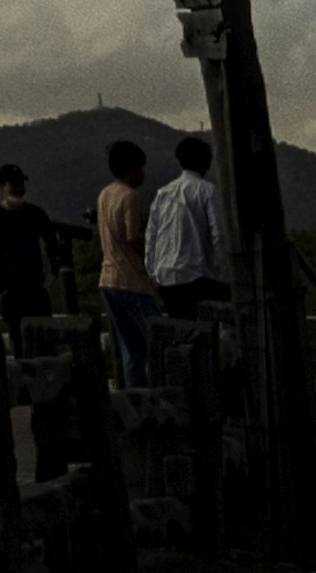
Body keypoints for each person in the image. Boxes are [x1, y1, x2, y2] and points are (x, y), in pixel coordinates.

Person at [0, 162, 71, 337]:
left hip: (36, 287)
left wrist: (53, 271)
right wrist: (1, 285)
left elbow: (52, 243)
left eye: (20, 184)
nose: (18, 189)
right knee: (18, 339)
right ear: (2, 186)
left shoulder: (35, 214)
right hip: (11, 291)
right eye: (13, 185)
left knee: (44, 337)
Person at [92, 138, 156, 387]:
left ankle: (133, 399)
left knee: (132, 350)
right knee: (157, 340)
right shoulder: (130, 197)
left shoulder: (105, 194)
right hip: (131, 280)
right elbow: (134, 237)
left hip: (108, 279)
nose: (142, 174)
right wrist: (151, 261)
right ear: (131, 170)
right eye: (140, 168)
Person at [147, 136, 229, 321]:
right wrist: (220, 271)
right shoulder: (207, 190)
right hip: (196, 277)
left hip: (166, 278)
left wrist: (152, 272)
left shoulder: (163, 193)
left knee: (182, 326)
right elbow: (219, 235)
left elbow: (152, 235)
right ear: (206, 162)